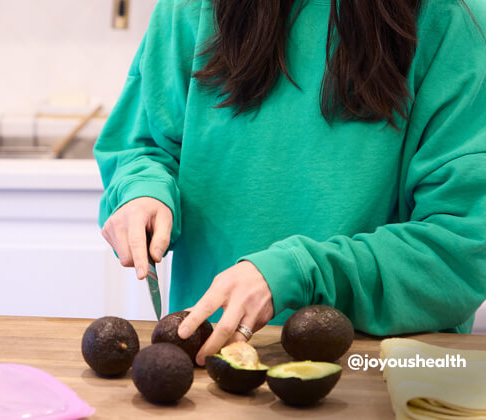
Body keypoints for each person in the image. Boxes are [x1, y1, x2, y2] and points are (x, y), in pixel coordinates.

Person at [94, 0, 486, 365]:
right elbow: (142, 147)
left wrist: (299, 272)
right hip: (207, 364)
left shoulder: (453, 21)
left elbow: (463, 249)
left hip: (381, 370)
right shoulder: (189, 9)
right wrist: (141, 191)